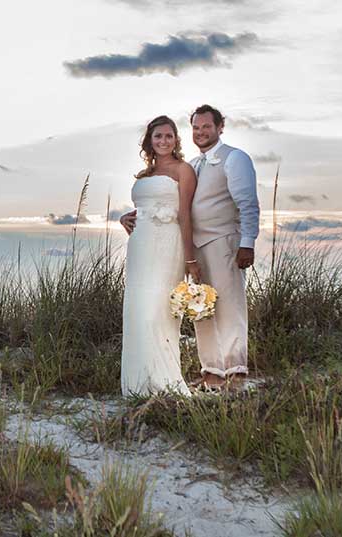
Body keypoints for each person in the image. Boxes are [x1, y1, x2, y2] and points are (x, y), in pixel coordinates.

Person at [121, 104, 259, 390]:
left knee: (230, 306)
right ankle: (212, 373)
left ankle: (236, 373)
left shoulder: (235, 159)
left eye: (206, 127)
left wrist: (247, 243)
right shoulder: (195, 164)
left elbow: (247, 203)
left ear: (220, 127)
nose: (201, 132)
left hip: (222, 241)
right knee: (201, 308)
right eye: (196, 127)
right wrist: (132, 216)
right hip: (189, 244)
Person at [119, 115, 198, 397]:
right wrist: (123, 219)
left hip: (168, 244)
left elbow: (186, 215)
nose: (164, 141)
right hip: (140, 245)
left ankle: (166, 383)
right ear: (149, 141)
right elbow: (141, 208)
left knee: (157, 311)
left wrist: (190, 260)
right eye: (158, 136)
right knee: (137, 310)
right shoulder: (144, 176)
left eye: (169, 136)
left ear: (176, 139)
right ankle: (138, 385)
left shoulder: (183, 170)